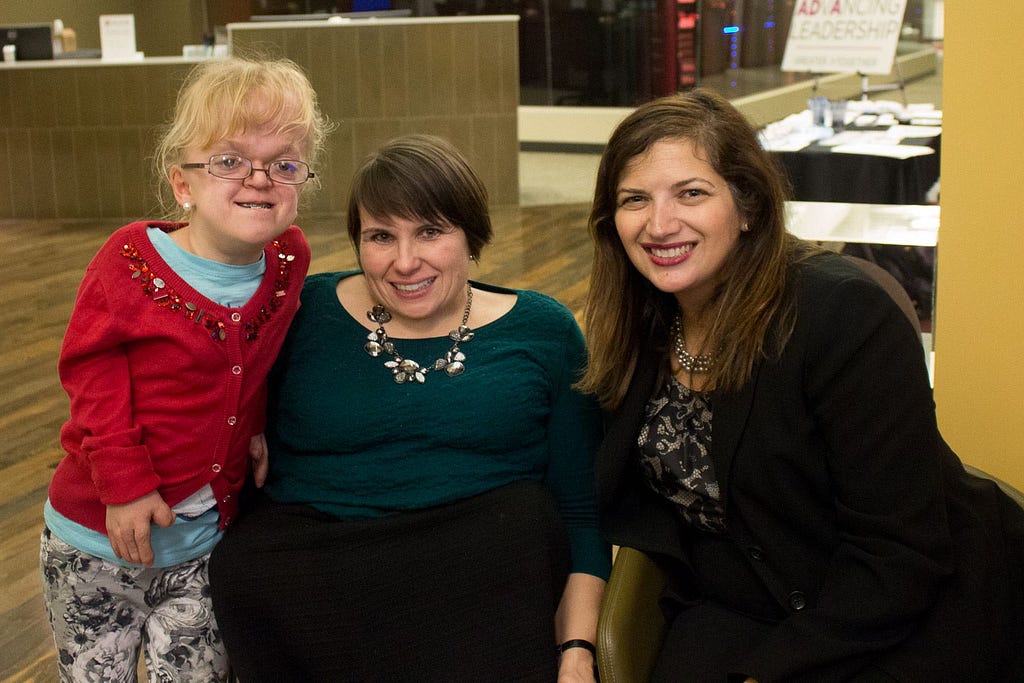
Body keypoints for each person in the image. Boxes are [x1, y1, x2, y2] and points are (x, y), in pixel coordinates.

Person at [580, 88, 1024, 681]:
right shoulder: (641, 322)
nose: (659, 224)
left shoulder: (842, 315)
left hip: (907, 610)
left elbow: (901, 556)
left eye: (691, 193)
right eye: (635, 199)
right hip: (749, 600)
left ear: (749, 207)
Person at [208, 134, 610, 682]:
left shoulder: (543, 330)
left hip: (483, 586)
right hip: (312, 584)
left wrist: (578, 651)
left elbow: (581, 511)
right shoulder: (302, 310)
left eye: (430, 231)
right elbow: (201, 385)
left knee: (520, 526)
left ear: (471, 234)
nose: (404, 261)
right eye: (380, 236)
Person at [40, 55, 329, 682]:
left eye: (283, 163)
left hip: (201, 551)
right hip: (93, 544)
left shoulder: (288, 259)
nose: (258, 179)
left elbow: (258, 352)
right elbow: (92, 371)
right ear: (182, 184)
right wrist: (124, 482)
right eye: (228, 161)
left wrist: (252, 421)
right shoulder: (129, 261)